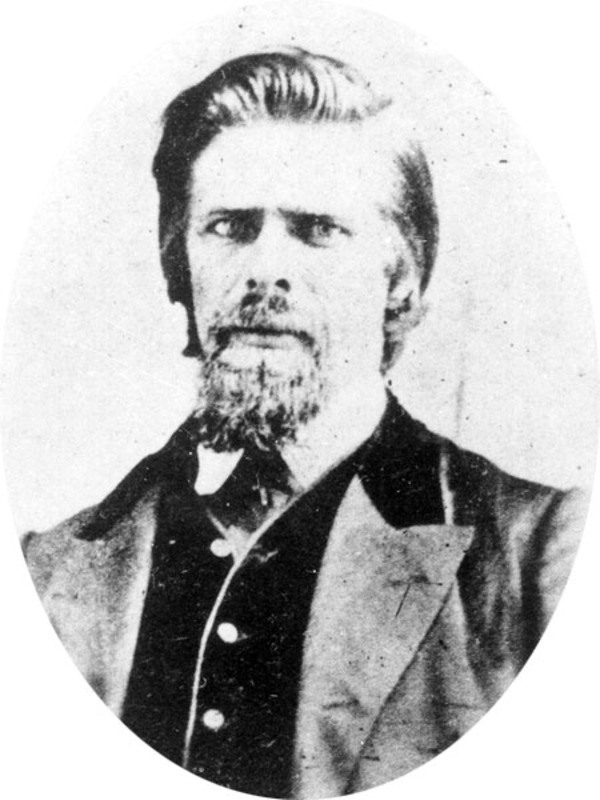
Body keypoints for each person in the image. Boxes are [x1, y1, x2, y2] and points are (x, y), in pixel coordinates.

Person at [22, 48, 585, 799]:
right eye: (230, 227)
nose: (265, 269)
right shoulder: (47, 573)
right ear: (179, 265)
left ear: (400, 279)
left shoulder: (539, 564)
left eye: (316, 229)